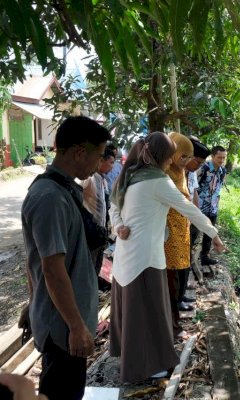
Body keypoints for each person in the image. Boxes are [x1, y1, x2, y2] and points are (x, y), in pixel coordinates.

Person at [108, 132, 226, 383]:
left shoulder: (129, 175)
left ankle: (134, 359)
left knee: (134, 314)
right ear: (165, 157)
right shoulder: (158, 181)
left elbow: (114, 207)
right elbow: (188, 208)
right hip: (146, 260)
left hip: (125, 258)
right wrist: (213, 234)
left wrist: (118, 226)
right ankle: (145, 368)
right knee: (149, 315)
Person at [21, 116, 110, 400]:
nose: (99, 164)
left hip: (65, 320)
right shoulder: (50, 198)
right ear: (79, 152)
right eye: (98, 155)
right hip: (62, 328)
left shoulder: (63, 189)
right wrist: (76, 327)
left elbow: (34, 258)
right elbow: (52, 268)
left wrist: (32, 299)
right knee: (62, 392)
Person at [163, 132, 196, 337]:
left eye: (188, 157)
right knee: (169, 282)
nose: (186, 162)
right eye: (182, 156)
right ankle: (170, 327)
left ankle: (173, 324)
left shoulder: (180, 173)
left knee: (177, 278)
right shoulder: (163, 174)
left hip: (181, 231)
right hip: (167, 236)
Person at [81, 147, 115, 275]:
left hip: (100, 230)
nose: (112, 166)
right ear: (101, 161)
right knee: (89, 266)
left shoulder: (102, 180)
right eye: (111, 162)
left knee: (97, 265)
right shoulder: (89, 179)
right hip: (90, 231)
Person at [197, 145, 227, 266]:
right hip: (199, 206)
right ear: (213, 156)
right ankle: (188, 259)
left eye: (223, 158)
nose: (221, 160)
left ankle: (204, 257)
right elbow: (194, 187)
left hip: (213, 207)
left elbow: (218, 188)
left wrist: (216, 203)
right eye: (219, 157)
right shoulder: (203, 168)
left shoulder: (222, 171)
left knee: (209, 234)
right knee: (194, 233)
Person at [186, 138, 211, 278]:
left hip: (191, 218)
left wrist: (196, 216)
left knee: (188, 252)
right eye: (197, 162)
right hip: (178, 220)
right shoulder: (175, 173)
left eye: (201, 163)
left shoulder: (191, 173)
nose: (198, 166)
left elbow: (194, 192)